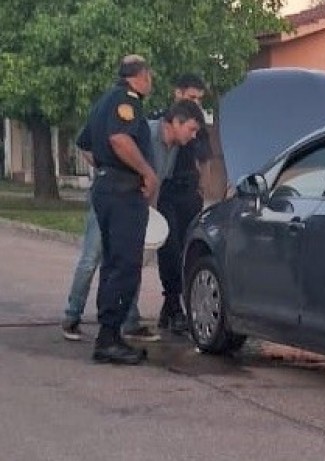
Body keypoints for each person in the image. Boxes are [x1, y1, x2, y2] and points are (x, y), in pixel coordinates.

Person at [76, 54, 157, 365]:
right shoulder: (127, 100)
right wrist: (146, 172)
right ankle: (109, 338)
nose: (150, 81)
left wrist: (104, 166)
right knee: (125, 264)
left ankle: (109, 333)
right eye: (149, 75)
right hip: (123, 192)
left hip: (106, 188)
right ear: (140, 75)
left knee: (112, 263)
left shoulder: (103, 101)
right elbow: (120, 139)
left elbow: (85, 144)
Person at [60, 149, 159, 342]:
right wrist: (105, 166)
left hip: (130, 199)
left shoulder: (155, 142)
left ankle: (128, 319)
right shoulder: (118, 126)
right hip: (109, 195)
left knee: (125, 261)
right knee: (91, 258)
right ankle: (73, 315)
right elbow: (84, 144)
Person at [151, 74, 212, 333]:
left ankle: (172, 307)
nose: (196, 102)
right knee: (170, 250)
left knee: (187, 251)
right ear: (177, 93)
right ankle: (173, 305)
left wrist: (204, 189)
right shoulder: (167, 121)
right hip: (167, 191)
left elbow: (205, 159)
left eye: (199, 98)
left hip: (190, 193)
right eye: (191, 97)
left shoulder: (198, 126)